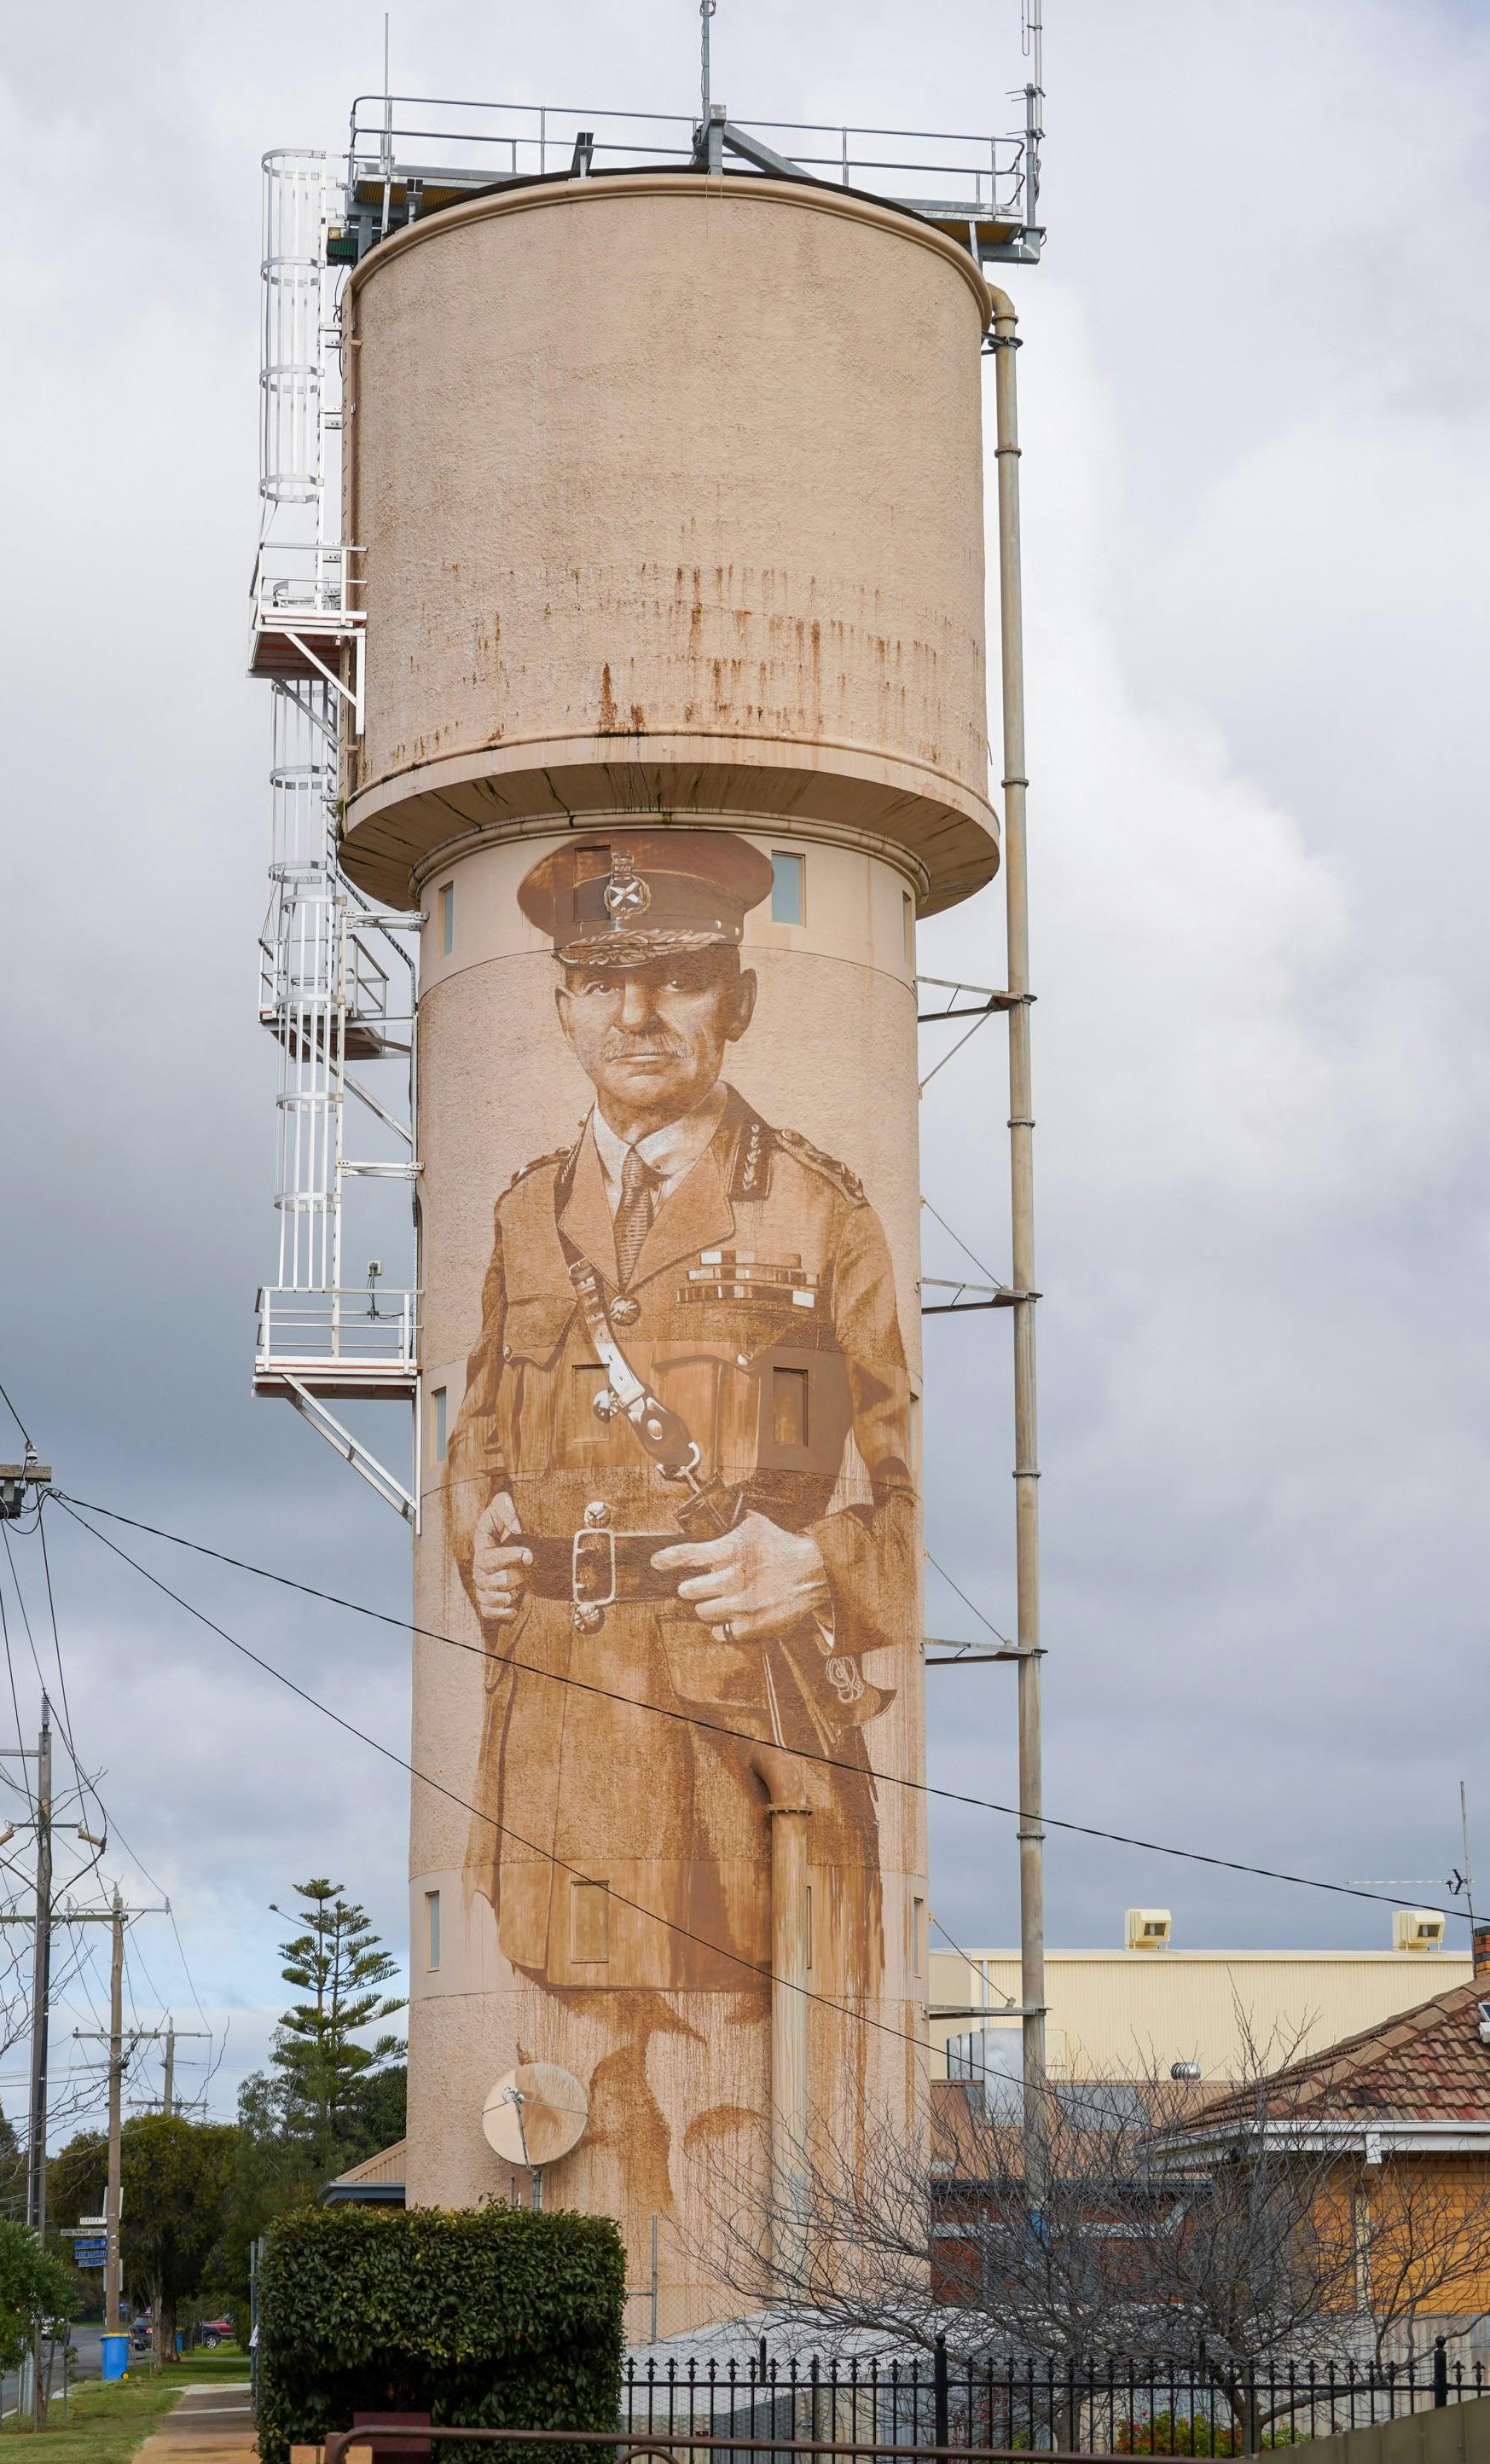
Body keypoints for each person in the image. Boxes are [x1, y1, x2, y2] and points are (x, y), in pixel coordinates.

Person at [444, 829, 917, 2213]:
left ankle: (739, 2401)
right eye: (602, 978)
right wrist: (472, 1528)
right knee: (567, 2104)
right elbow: (476, 1426)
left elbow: (897, 1472)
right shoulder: (527, 1212)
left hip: (735, 1726)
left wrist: (816, 1560)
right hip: (561, 1726)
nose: (637, 1014)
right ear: (560, 1004)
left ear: (736, 997)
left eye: (674, 978)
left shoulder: (819, 1209)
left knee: (733, 2117)